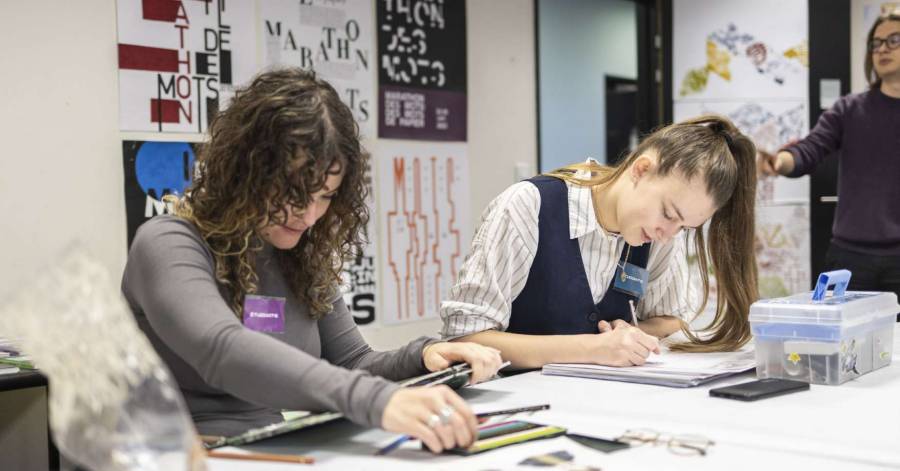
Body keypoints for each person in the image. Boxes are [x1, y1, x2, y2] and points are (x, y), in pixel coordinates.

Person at [121, 68, 503, 453]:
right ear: (244, 172)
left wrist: (423, 356)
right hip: (186, 453)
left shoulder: (299, 254)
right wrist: (379, 401)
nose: (307, 215)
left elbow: (351, 362)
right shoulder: (167, 243)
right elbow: (223, 349)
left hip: (282, 447)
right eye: (292, 192)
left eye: (325, 196)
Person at [440, 115, 759, 369]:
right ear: (641, 169)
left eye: (684, 227)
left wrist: (631, 336)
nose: (668, 233)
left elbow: (671, 320)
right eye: (667, 213)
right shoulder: (528, 206)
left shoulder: (660, 235)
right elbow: (463, 338)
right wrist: (593, 347)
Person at [757, 8, 900, 312]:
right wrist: (779, 162)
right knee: (849, 351)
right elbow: (810, 148)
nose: (882, 49)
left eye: (893, 40)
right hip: (851, 259)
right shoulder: (850, 109)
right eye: (876, 43)